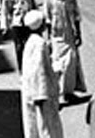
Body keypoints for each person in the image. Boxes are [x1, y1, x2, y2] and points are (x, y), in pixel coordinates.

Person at [42, 0, 87, 105]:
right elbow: (47, 19)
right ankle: (57, 95)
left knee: (71, 65)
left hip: (69, 36)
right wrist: (49, 39)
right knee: (58, 67)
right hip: (56, 38)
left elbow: (77, 16)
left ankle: (68, 93)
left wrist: (78, 34)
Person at [20, 10, 64, 138]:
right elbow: (38, 71)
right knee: (46, 129)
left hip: (34, 92)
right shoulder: (39, 43)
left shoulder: (31, 41)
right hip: (41, 95)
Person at [1, 0, 36, 71]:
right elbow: (5, 10)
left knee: (30, 46)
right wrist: (4, 26)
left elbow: (33, 4)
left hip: (29, 22)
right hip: (16, 23)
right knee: (19, 47)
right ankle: (22, 70)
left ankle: (30, 69)